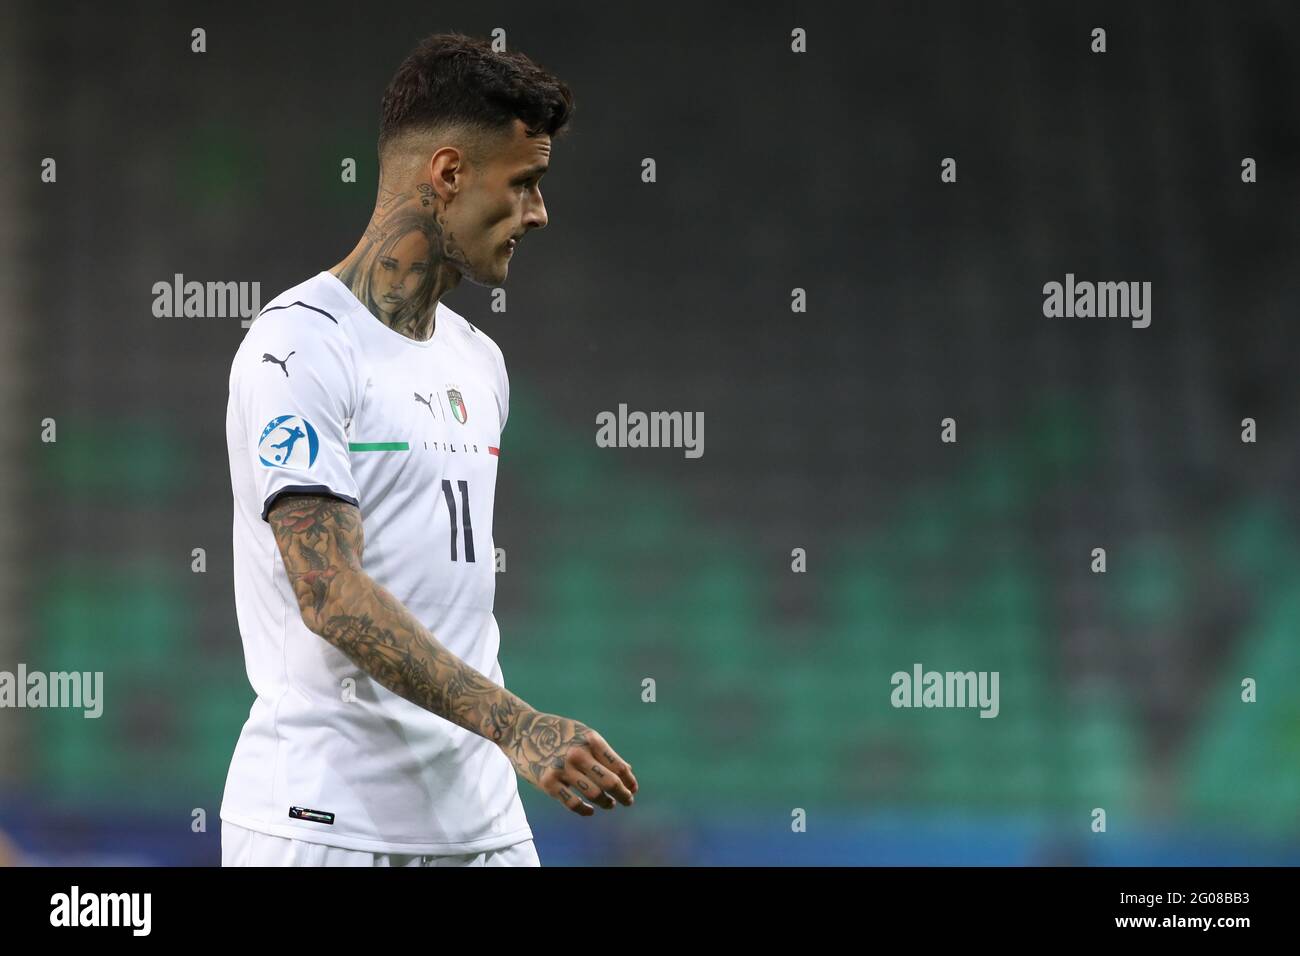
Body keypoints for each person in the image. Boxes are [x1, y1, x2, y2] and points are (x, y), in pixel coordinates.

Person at [221, 32, 636, 867]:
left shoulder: (480, 363)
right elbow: (330, 595)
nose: (539, 212)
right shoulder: (297, 348)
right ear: (447, 175)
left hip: (481, 826)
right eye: (524, 184)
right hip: (321, 824)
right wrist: (518, 724)